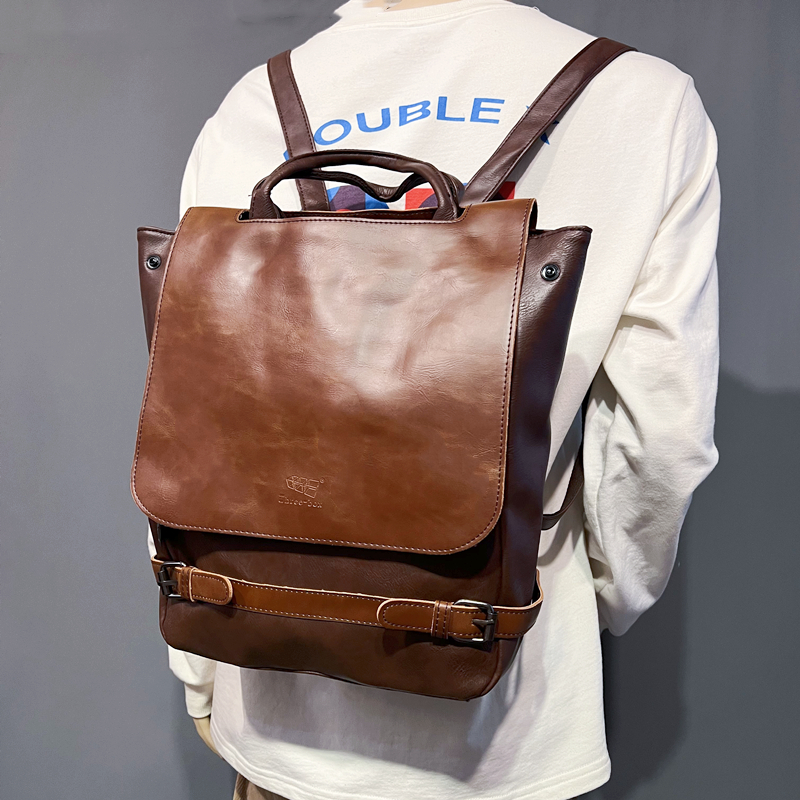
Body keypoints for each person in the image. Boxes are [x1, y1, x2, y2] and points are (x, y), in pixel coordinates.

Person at [155, 1, 720, 798]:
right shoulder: (640, 97)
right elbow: (662, 436)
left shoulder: (253, 102)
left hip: (276, 714)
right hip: (506, 726)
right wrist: (587, 609)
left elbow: (189, 414)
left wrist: (200, 672)